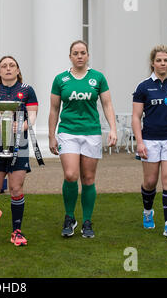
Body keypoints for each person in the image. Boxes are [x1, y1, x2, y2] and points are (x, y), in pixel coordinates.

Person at [48, 40, 117, 239]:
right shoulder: (61, 79)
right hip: (68, 131)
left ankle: (87, 221)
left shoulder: (98, 78)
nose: (79, 56)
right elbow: (53, 109)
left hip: (91, 132)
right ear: (70, 56)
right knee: (70, 175)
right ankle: (69, 218)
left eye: (83, 53)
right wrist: (52, 136)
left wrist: (112, 129)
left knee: (88, 178)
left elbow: (107, 104)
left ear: (88, 55)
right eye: (76, 53)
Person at [132, 45, 167, 239]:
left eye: (165, 60)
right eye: (159, 60)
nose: (162, 63)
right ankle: (148, 211)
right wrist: (139, 143)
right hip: (149, 140)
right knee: (150, 182)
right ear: (152, 63)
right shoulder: (143, 87)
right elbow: (136, 116)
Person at [0, 55, 38, 247]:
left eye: (12, 65)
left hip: (18, 146)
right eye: (4, 66)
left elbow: (33, 115)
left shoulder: (27, 91)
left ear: (18, 70)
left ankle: (17, 231)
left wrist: (21, 126)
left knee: (16, 188)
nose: (8, 69)